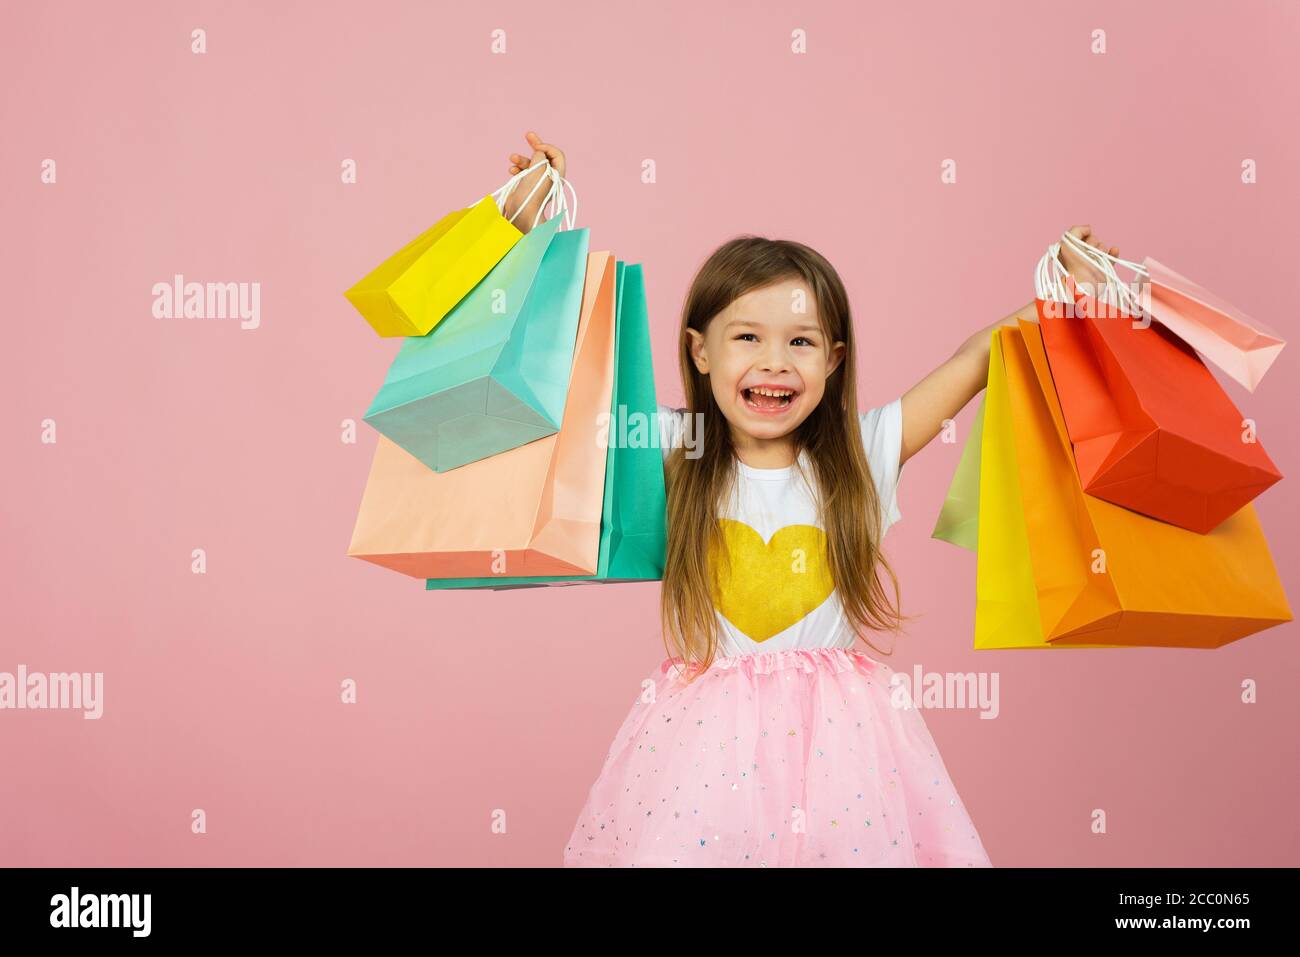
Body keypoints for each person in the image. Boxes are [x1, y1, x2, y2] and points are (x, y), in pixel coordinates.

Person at [501, 132, 1116, 867]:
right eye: (747, 336)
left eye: (800, 342)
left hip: (847, 754)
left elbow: (975, 360)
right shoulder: (678, 448)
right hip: (702, 755)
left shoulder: (858, 456)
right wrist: (534, 238)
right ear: (701, 352)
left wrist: (1059, 290)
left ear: (834, 359)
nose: (773, 361)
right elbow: (576, 378)